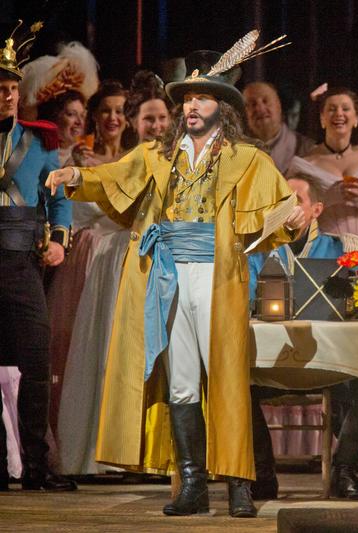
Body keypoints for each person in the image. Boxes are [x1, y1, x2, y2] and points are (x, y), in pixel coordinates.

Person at [46, 46, 304, 517]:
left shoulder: (247, 159)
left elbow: (280, 211)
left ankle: (240, 485)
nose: (189, 107)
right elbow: (109, 179)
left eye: (201, 100)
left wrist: (298, 223)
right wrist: (73, 175)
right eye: (185, 99)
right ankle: (191, 484)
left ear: (221, 108)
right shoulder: (156, 155)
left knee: (226, 379)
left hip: (216, 275)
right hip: (168, 276)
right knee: (181, 380)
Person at [57, 70, 171, 475]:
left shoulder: (157, 157)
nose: (113, 118)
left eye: (121, 111)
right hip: (107, 261)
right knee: (104, 350)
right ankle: (101, 449)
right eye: (105, 111)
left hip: (146, 259)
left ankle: (147, 452)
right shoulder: (101, 159)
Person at [248, 174, 358, 500]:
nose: (287, 208)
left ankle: (343, 471)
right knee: (234, 383)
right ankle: (262, 475)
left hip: (329, 362)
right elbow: (244, 303)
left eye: (296, 200)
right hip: (275, 363)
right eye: (280, 201)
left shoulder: (344, 247)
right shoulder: (258, 251)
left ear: (316, 209)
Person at [0, 20, 75, 492]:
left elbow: (60, 199)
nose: (7, 95)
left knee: (34, 363)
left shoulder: (39, 141)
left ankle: (36, 468)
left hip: (21, 259)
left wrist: (58, 240)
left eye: (11, 88)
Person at [286, 87, 358, 259]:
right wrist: (328, 199)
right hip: (325, 248)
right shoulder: (304, 164)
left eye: (346, 109)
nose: (339, 113)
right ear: (322, 119)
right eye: (332, 109)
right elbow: (293, 214)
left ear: (356, 119)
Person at [243, 81, 313, 174]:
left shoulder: (307, 149)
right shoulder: (235, 149)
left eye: (265, 101)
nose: (260, 109)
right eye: (252, 104)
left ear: (279, 106)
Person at [74, 80, 131, 166]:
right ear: (95, 116)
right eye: (106, 111)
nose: (112, 117)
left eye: (119, 111)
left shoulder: (136, 156)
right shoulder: (83, 156)